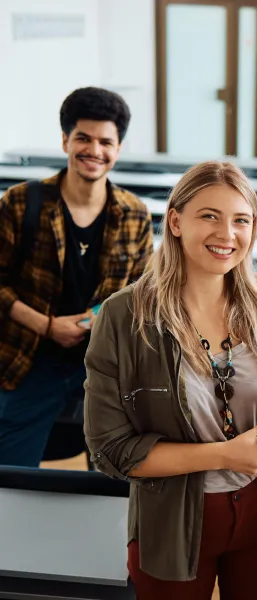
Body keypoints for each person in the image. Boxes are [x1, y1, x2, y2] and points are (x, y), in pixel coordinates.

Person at [83, 162, 257, 599]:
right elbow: (110, 450)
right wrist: (226, 455)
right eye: (209, 215)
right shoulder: (124, 317)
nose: (227, 234)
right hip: (173, 517)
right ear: (175, 221)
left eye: (241, 220)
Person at [0, 86, 152, 467]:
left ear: (118, 148)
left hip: (103, 365)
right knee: (14, 471)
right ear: (66, 139)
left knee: (107, 477)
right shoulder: (21, 202)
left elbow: (141, 291)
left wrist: (93, 320)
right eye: (83, 138)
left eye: (106, 142)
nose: (94, 151)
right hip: (27, 362)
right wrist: (47, 325)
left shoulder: (134, 214)